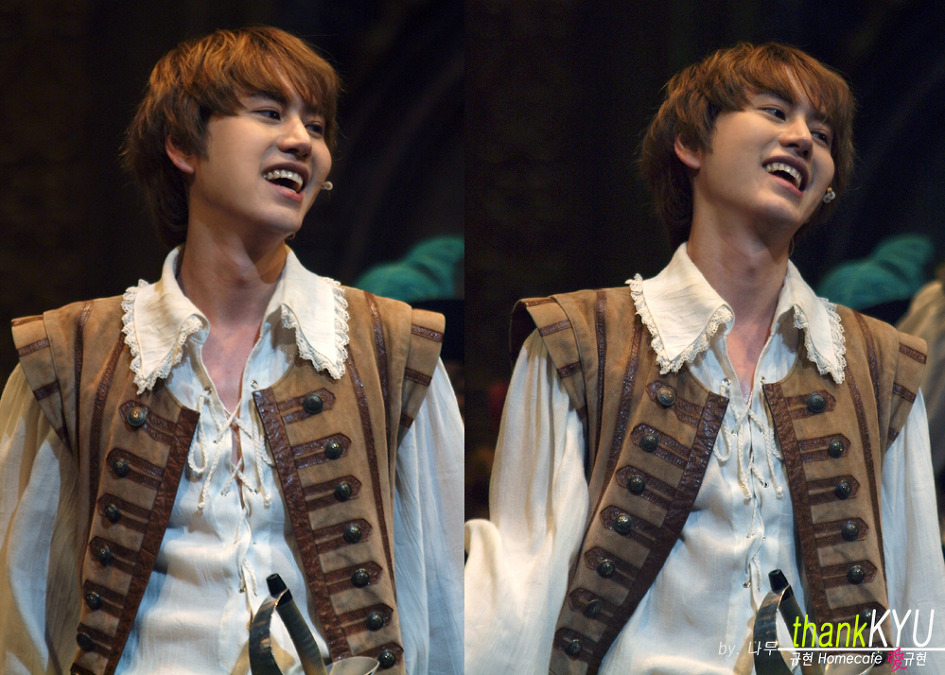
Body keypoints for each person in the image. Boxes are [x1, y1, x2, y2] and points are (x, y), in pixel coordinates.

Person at [464, 42, 945, 674]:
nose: (802, 138)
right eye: (774, 111)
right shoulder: (577, 342)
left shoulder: (878, 365)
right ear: (691, 144)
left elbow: (916, 604)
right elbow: (521, 591)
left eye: (823, 133)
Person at [0, 26, 463, 675]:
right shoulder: (72, 353)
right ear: (184, 145)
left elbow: (435, 597)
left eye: (316, 126)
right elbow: (18, 613)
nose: (301, 140)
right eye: (269, 113)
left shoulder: (393, 348)